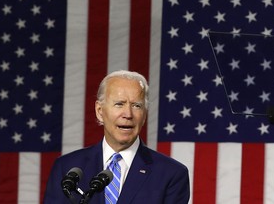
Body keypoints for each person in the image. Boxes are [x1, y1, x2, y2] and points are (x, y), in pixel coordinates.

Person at [42, 70, 190, 204]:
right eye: (119, 104)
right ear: (100, 111)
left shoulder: (172, 174)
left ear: (144, 114)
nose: (128, 114)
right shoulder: (66, 168)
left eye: (136, 106)